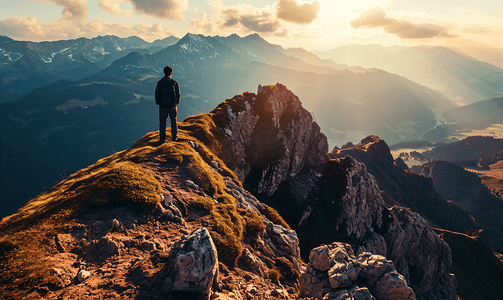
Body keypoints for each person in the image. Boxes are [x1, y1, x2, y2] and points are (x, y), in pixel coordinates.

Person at [155, 66, 181, 142]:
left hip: (163, 106)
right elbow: (178, 94)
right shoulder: (174, 82)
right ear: (171, 72)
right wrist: (175, 103)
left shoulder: (160, 82)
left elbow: (157, 94)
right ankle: (174, 137)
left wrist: (159, 103)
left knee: (162, 122)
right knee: (173, 121)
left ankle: (162, 138)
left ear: (164, 72)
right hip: (172, 106)